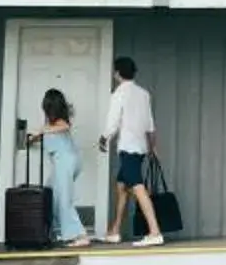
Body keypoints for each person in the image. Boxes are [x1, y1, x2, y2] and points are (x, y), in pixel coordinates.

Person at [98, 55, 163, 246]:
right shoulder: (144, 94)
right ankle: (115, 231)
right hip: (140, 147)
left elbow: (113, 121)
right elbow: (150, 124)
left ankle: (155, 232)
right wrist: (152, 146)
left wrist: (104, 138)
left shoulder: (119, 94)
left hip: (128, 147)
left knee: (137, 187)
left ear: (117, 73)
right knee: (122, 186)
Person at [22, 88, 85, 247]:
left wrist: (41, 131)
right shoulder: (49, 125)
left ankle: (80, 235)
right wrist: (33, 139)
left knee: (63, 198)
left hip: (66, 161)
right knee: (51, 195)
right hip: (62, 162)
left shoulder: (60, 122)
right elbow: (44, 136)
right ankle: (58, 231)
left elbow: (64, 127)